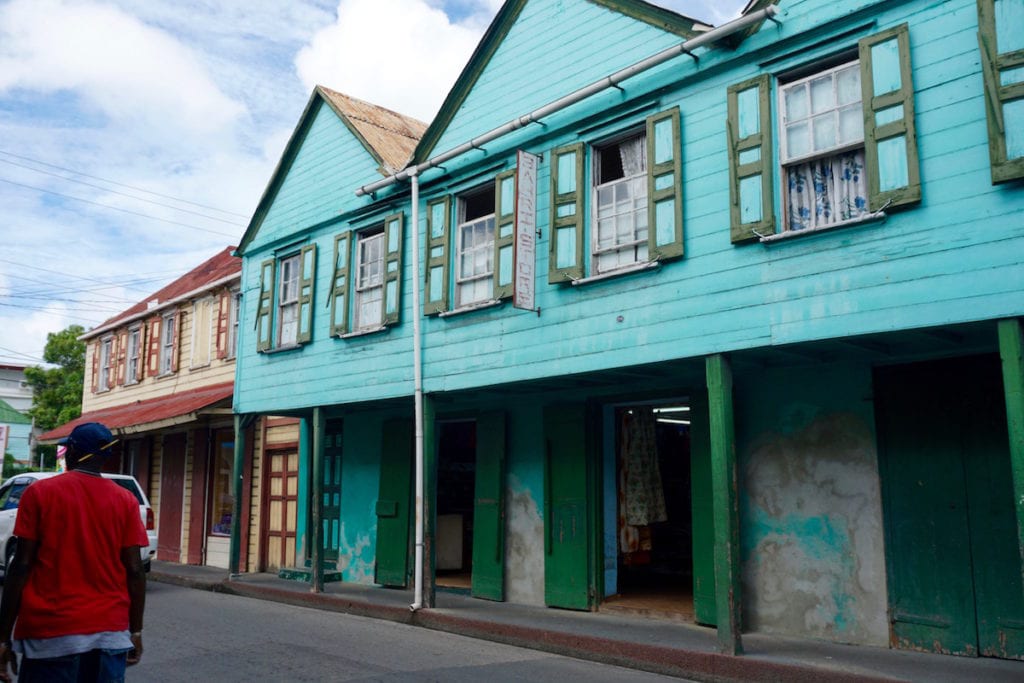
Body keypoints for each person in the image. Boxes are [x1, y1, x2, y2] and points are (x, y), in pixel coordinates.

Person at [0, 422, 148, 682]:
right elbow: (135, 570)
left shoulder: (39, 493)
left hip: (51, 636)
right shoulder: (125, 500)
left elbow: (21, 566)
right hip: (109, 635)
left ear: (72, 452)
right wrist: (135, 631)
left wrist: (3, 637)